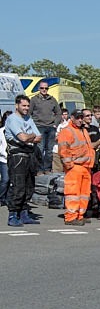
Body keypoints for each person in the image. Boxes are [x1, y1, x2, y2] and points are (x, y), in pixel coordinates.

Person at [4, 95, 42, 226]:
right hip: (17, 156)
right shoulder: (12, 119)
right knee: (18, 186)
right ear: (17, 105)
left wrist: (30, 136)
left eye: (27, 106)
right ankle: (13, 215)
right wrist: (31, 136)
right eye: (23, 105)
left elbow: (39, 137)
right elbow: (23, 138)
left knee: (29, 186)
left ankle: (24, 213)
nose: (26, 108)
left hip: (29, 155)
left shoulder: (28, 118)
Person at [57, 109, 95, 225]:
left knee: (84, 194)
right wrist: (69, 166)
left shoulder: (83, 130)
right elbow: (63, 150)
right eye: (77, 117)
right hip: (75, 167)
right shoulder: (67, 131)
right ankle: (70, 217)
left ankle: (79, 215)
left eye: (81, 117)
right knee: (73, 193)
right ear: (72, 118)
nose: (80, 120)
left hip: (86, 166)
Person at [29, 80, 61, 174]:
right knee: (39, 149)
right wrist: (32, 126)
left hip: (51, 127)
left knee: (49, 150)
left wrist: (55, 124)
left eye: (46, 88)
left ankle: (47, 169)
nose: (44, 90)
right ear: (39, 89)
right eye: (42, 88)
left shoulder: (52, 99)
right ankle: (39, 169)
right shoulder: (34, 100)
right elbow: (29, 113)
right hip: (39, 127)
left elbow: (59, 113)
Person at [0, 111, 10, 208]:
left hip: (14, 159)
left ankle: (7, 199)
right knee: (5, 180)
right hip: (4, 159)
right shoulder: (1, 131)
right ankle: (1, 197)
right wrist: (3, 153)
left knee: (12, 181)